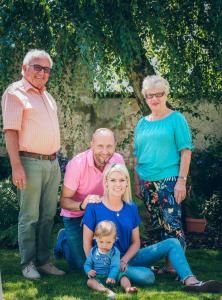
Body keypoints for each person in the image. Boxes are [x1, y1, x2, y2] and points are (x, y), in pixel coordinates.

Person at [83, 163, 222, 293]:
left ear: (126, 183)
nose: (117, 184)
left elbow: (136, 242)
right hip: (106, 261)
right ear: (106, 182)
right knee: (148, 277)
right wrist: (97, 265)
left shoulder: (130, 207)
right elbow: (87, 243)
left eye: (121, 180)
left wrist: (124, 260)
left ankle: (191, 281)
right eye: (113, 180)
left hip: (129, 257)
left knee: (173, 242)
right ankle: (120, 273)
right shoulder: (94, 207)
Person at [1, 49, 64, 279]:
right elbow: (10, 132)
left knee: (48, 216)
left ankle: (44, 261)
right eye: (37, 67)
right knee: (29, 216)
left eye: (46, 69)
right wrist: (16, 166)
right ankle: (27, 264)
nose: (42, 73)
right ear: (24, 68)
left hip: (52, 163)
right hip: (29, 162)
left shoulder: (47, 96)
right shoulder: (15, 93)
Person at [134, 75, 193, 273]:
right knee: (157, 225)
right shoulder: (142, 123)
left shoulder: (176, 119)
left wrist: (181, 181)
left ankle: (177, 267)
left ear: (166, 94)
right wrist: (137, 183)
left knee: (172, 224)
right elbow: (137, 156)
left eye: (159, 94)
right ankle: (167, 265)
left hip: (169, 180)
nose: (154, 99)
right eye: (150, 95)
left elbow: (186, 151)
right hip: (147, 182)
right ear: (145, 97)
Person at [54, 128, 124, 269]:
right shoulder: (77, 164)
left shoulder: (118, 160)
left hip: (102, 214)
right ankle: (64, 241)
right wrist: (82, 205)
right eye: (100, 146)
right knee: (81, 265)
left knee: (106, 259)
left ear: (115, 145)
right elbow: (63, 201)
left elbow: (121, 192)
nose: (105, 151)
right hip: (76, 215)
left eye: (109, 146)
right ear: (91, 144)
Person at [84, 220, 137, 298]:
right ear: (95, 238)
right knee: (90, 282)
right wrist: (88, 270)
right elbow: (87, 263)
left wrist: (112, 276)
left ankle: (128, 288)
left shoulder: (115, 252)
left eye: (108, 242)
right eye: (101, 242)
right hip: (98, 277)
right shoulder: (93, 251)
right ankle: (104, 290)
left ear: (114, 240)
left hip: (113, 276)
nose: (104, 245)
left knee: (123, 276)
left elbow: (115, 266)